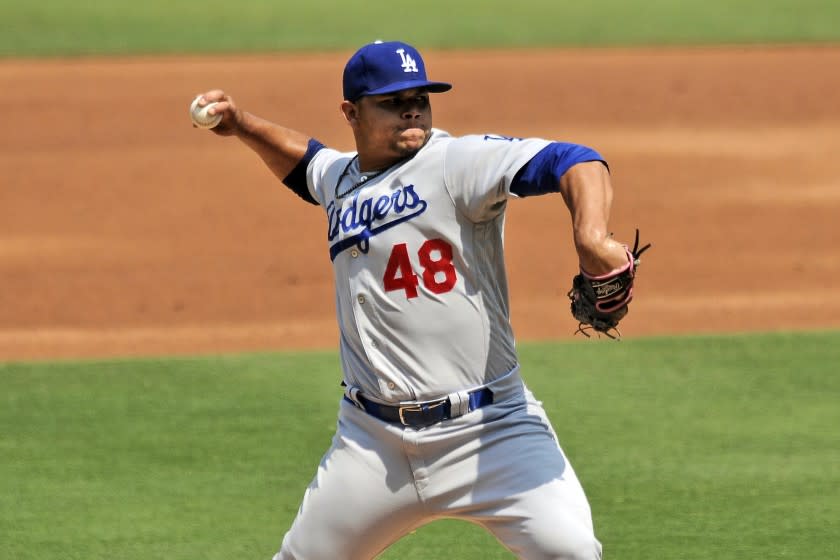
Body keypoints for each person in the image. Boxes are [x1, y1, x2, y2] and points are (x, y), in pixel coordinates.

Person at [193, 40, 633, 560]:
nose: (411, 108)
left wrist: (592, 237)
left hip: (491, 431)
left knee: (574, 552)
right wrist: (242, 122)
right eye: (391, 100)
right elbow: (307, 162)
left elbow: (573, 159)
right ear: (350, 113)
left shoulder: (455, 162)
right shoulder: (342, 181)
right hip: (372, 444)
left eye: (419, 97)